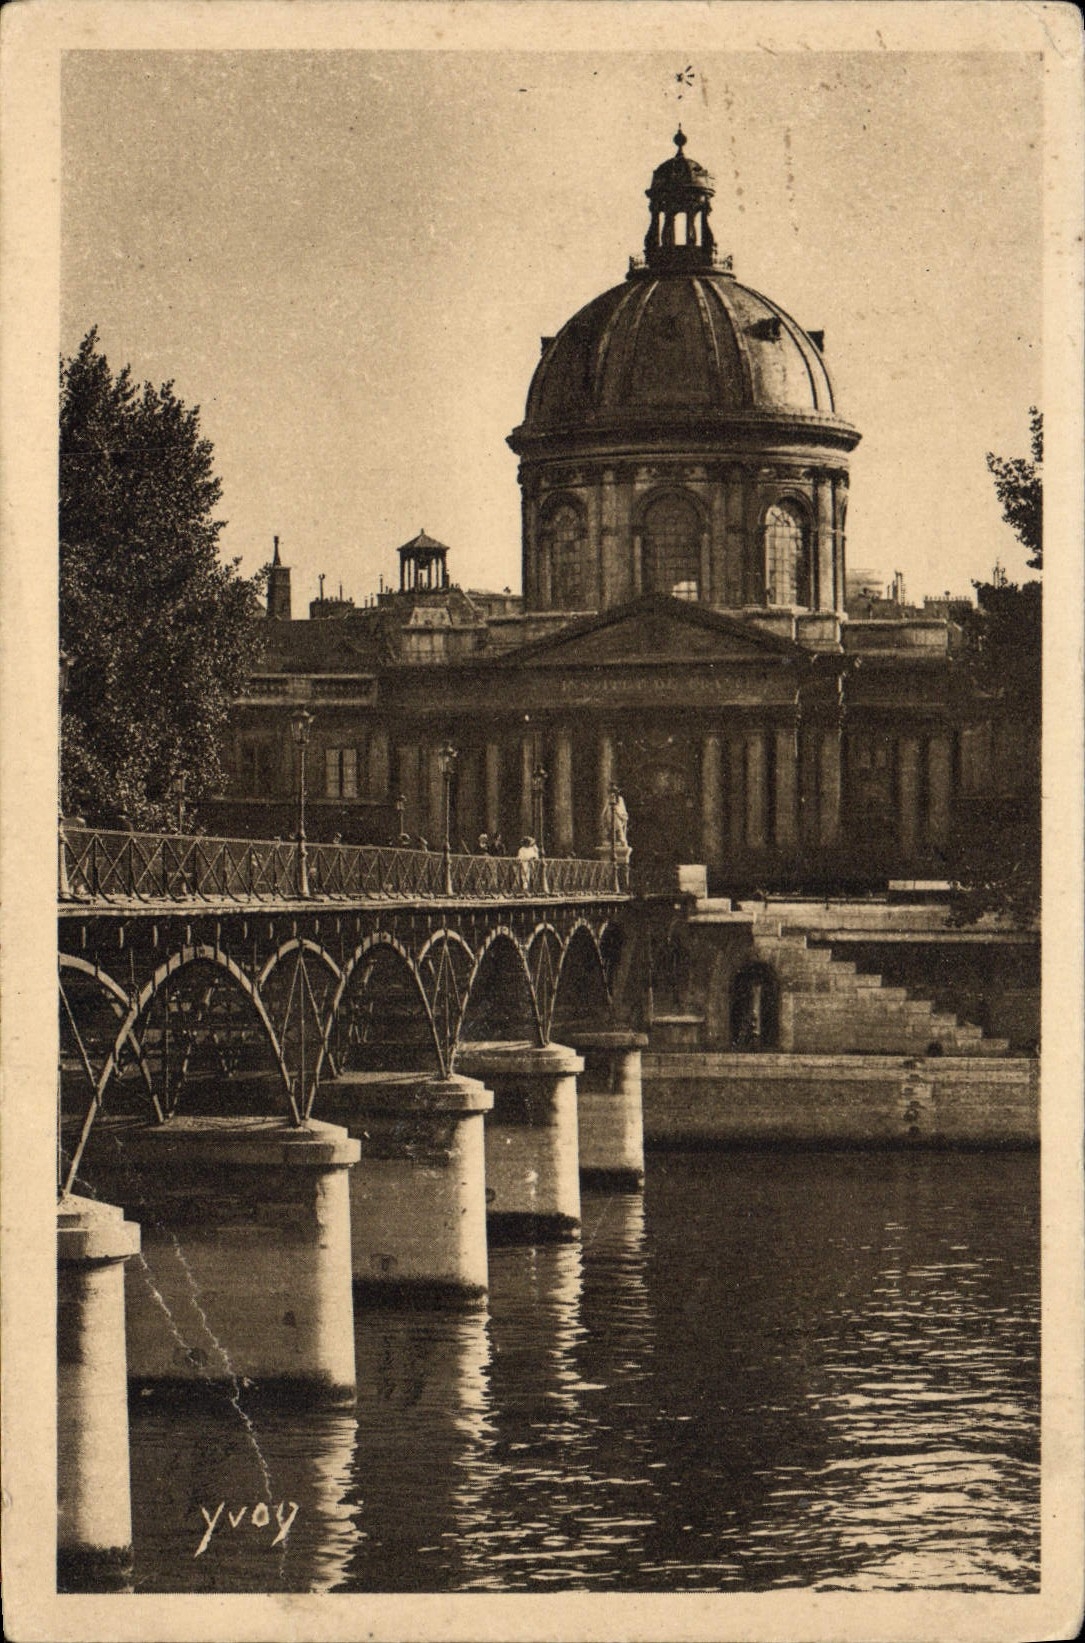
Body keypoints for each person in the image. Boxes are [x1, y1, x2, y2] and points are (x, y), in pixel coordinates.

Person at [601, 783, 629, 851]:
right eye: (610, 792)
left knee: (617, 822)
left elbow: (623, 811)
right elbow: (604, 810)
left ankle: (620, 838)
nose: (612, 794)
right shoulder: (608, 800)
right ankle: (610, 838)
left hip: (618, 818)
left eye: (614, 792)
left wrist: (618, 812)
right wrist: (602, 817)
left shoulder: (620, 799)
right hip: (609, 818)